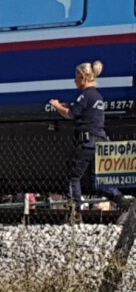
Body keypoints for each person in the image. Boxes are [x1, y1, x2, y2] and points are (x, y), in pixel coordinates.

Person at [48, 60, 127, 209]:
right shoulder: (97, 96)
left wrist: (56, 105)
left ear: (83, 78)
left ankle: (76, 210)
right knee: (98, 182)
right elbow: (85, 112)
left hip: (87, 143)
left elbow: (71, 114)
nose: (75, 81)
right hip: (101, 142)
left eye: (76, 77)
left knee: (73, 177)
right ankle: (122, 201)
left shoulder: (85, 96)